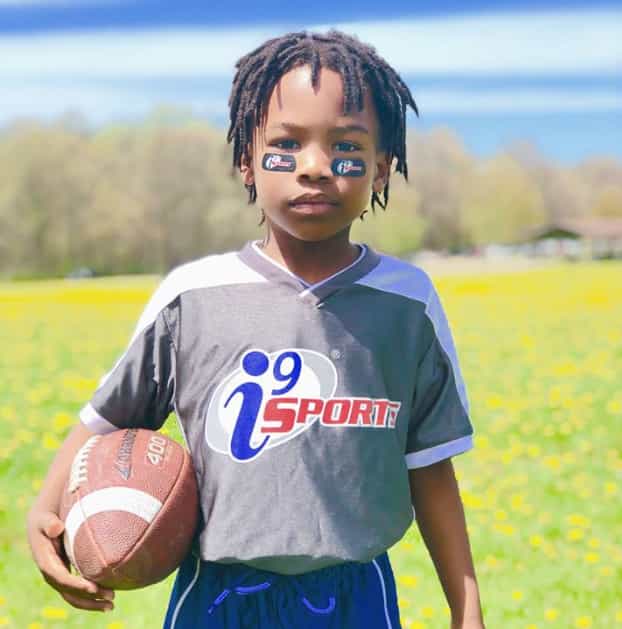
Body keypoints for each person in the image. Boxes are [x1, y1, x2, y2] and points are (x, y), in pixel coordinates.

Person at [27, 30, 485, 629]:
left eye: (345, 146)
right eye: (286, 145)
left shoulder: (406, 301)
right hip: (217, 594)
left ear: (380, 168)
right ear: (247, 159)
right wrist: (45, 507)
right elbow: (108, 418)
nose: (315, 168)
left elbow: (429, 465)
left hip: (357, 594)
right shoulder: (193, 297)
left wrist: (466, 606)